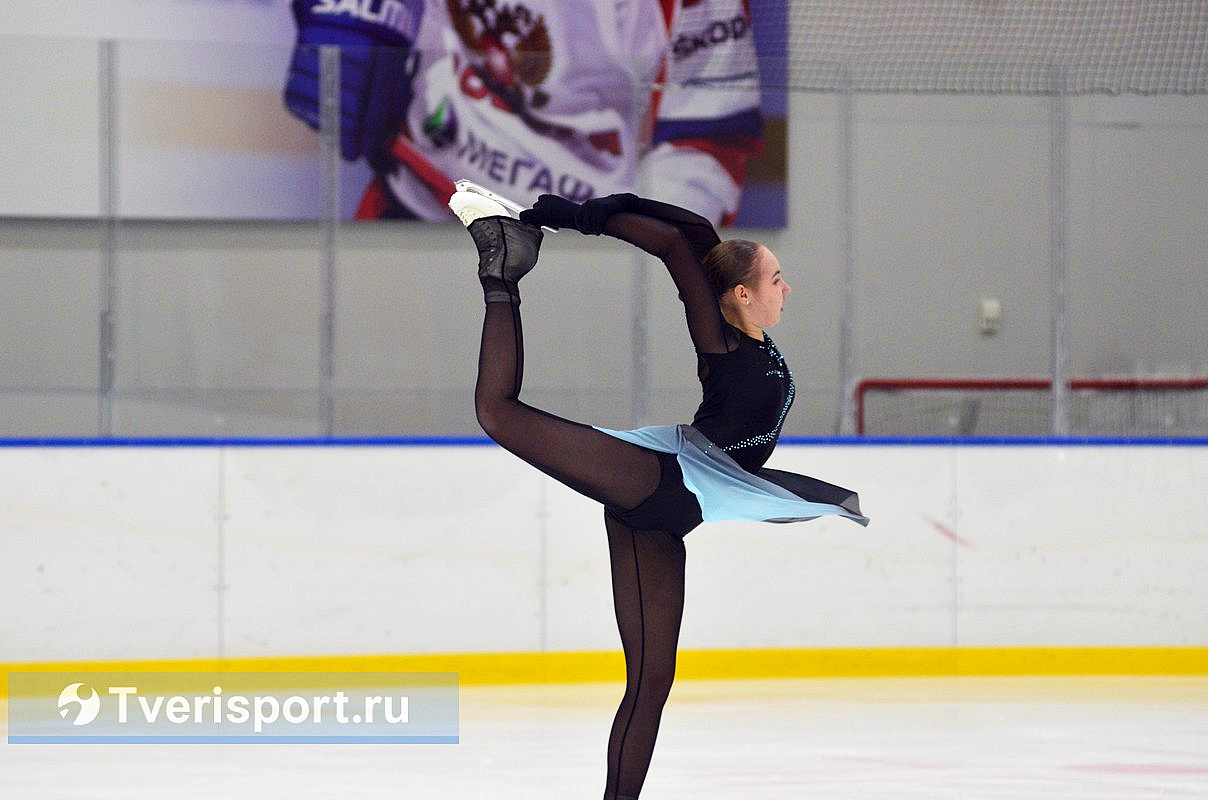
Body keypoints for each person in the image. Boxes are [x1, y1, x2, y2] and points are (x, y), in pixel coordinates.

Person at [455, 188, 868, 800]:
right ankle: (501, 268)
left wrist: (599, 202)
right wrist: (576, 219)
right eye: (777, 278)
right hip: (664, 479)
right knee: (497, 412)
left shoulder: (748, 331)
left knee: (651, 680)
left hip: (670, 509)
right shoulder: (721, 341)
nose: (788, 288)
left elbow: (694, 227)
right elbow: (674, 245)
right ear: (743, 293)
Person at [283, 0, 765, 224]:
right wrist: (352, 13)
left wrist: (638, 251)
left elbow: (707, 145)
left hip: (569, 244)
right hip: (422, 196)